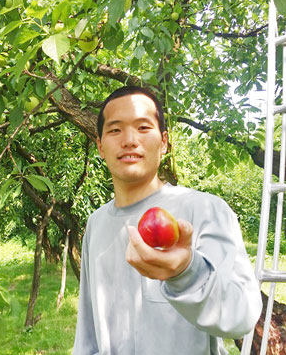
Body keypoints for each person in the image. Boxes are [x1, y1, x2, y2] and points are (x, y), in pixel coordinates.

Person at [73, 86, 262, 355]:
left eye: (143, 127)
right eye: (115, 130)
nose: (129, 140)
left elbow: (241, 317)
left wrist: (187, 272)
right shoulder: (96, 224)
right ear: (100, 146)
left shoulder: (206, 210)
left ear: (163, 142)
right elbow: (88, 332)